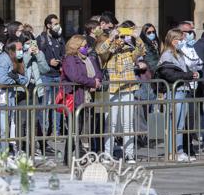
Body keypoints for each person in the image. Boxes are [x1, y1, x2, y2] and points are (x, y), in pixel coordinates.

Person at [96, 21, 145, 164]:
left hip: (128, 87)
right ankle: (107, 153)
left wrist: (137, 38)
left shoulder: (129, 50)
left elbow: (141, 51)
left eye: (124, 36)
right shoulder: (109, 49)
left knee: (128, 123)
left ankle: (129, 154)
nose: (122, 39)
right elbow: (100, 52)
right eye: (120, 35)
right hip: (111, 89)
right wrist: (111, 38)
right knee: (110, 123)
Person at [156, 29, 199, 162]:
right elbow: (169, 74)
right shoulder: (167, 55)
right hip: (175, 92)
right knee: (172, 124)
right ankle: (171, 152)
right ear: (171, 40)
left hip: (183, 91)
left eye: (182, 39)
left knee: (180, 124)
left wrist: (193, 73)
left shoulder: (179, 53)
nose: (181, 42)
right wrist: (188, 75)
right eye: (178, 39)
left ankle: (179, 151)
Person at [61, 35, 102, 163]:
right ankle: (73, 157)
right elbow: (75, 77)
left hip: (87, 98)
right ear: (76, 47)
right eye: (84, 46)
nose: (86, 48)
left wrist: (97, 81)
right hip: (75, 97)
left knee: (82, 129)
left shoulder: (89, 59)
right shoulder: (70, 60)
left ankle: (74, 157)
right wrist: (91, 83)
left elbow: (98, 72)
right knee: (74, 129)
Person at [0, 40, 28, 154]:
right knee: (2, 128)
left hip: (7, 97)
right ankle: (2, 156)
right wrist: (16, 79)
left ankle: (2, 155)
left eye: (21, 49)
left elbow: (25, 79)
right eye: (18, 49)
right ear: (11, 50)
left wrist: (15, 77)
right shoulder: (2, 59)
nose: (21, 51)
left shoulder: (18, 60)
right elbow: (2, 79)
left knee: (3, 129)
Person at [37, 14, 65, 136]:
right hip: (45, 76)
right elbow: (37, 57)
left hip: (57, 75)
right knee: (44, 105)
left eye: (58, 24)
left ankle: (56, 131)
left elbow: (64, 54)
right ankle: (43, 132)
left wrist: (62, 63)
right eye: (55, 24)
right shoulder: (40, 39)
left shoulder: (59, 38)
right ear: (48, 25)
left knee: (57, 105)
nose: (57, 26)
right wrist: (49, 62)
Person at [178, 21, 203, 160]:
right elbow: (186, 64)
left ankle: (189, 146)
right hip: (183, 87)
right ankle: (182, 148)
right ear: (182, 33)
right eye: (189, 31)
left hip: (193, 86)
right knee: (183, 119)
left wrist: (198, 73)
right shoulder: (179, 48)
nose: (192, 33)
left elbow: (198, 63)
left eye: (192, 30)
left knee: (192, 118)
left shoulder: (192, 47)